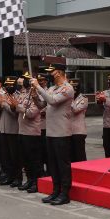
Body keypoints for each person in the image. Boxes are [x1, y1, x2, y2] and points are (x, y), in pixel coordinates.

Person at [31, 63, 74, 206]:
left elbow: (53, 101)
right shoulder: (51, 88)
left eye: (52, 71)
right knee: (53, 164)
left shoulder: (67, 88)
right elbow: (42, 105)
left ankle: (65, 193)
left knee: (62, 164)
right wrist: (34, 96)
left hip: (62, 132)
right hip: (50, 131)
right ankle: (56, 190)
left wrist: (38, 86)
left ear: (59, 73)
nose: (50, 74)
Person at [16, 72, 42, 193]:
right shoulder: (23, 94)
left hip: (32, 132)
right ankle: (30, 180)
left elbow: (31, 113)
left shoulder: (36, 95)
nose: (23, 82)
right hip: (22, 130)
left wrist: (17, 106)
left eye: (26, 79)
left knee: (34, 160)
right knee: (25, 159)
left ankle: (36, 182)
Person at [0, 76, 22, 187]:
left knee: (15, 156)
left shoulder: (18, 96)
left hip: (13, 129)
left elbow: (15, 113)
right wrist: (0, 104)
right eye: (7, 85)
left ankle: (17, 178)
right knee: (6, 155)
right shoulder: (3, 95)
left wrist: (5, 105)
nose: (9, 87)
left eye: (11, 85)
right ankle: (9, 176)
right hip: (3, 129)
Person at [70, 78, 88, 162]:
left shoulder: (83, 99)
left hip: (78, 131)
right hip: (69, 131)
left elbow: (75, 110)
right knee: (71, 156)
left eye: (75, 87)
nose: (73, 89)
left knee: (79, 155)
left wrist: (70, 99)